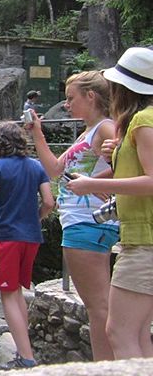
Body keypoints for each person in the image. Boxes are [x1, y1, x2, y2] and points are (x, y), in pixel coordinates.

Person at [68, 47, 153, 359]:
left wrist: (94, 183)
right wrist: (113, 155)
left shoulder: (144, 121)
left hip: (145, 243)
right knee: (139, 333)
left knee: (119, 331)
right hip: (140, 239)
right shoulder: (140, 122)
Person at [27, 71, 118, 360]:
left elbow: (135, 162)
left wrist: (98, 182)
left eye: (70, 98)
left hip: (86, 222)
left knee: (98, 307)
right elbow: (55, 170)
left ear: (90, 96)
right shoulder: (87, 132)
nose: (67, 105)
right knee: (101, 306)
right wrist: (37, 134)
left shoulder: (105, 128)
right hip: (86, 222)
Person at [0, 122, 55, 369]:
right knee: (18, 291)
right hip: (31, 238)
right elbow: (50, 202)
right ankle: (26, 350)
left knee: (7, 295)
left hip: (7, 236)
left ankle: (26, 357)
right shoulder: (36, 166)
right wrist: (35, 219)